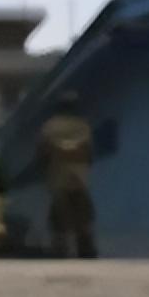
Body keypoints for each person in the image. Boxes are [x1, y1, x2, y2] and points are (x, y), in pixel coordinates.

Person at [37, 90, 97, 258]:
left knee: (59, 215)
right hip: (80, 175)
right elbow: (90, 153)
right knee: (83, 214)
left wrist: (44, 171)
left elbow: (42, 153)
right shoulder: (83, 126)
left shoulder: (49, 127)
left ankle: (60, 250)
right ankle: (86, 249)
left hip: (57, 175)